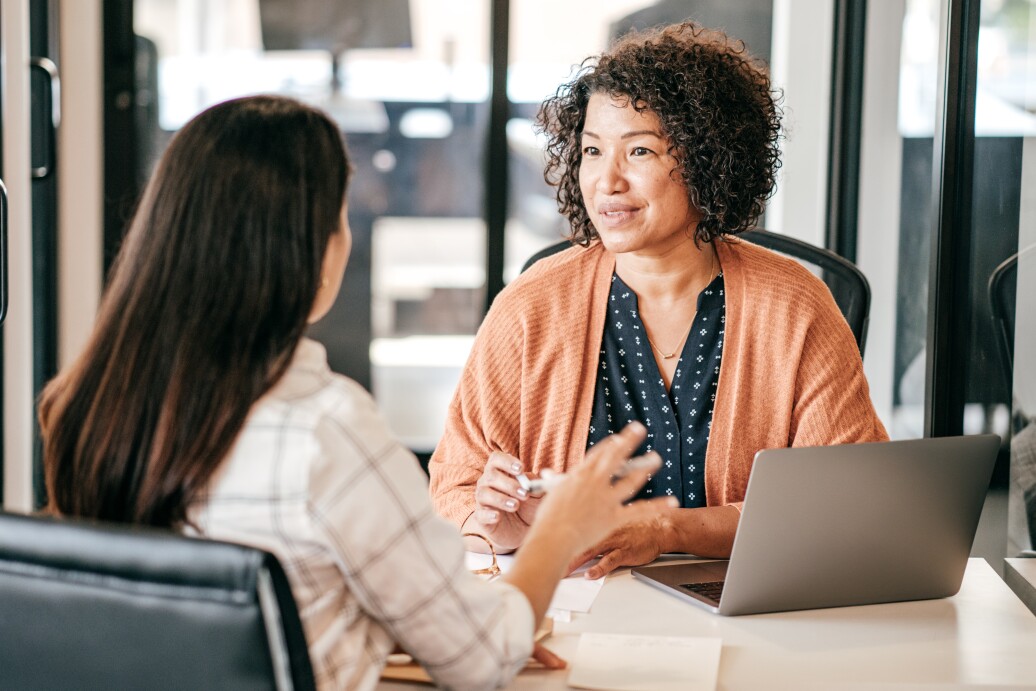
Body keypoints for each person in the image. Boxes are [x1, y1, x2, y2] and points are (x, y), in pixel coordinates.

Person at [38, 95, 676, 690]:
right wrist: (557, 533)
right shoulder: (325, 430)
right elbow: (483, 658)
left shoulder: (88, 406)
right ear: (310, 252)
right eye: (343, 217)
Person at [428, 22, 888, 578]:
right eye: (592, 151)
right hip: (576, 605)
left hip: (744, 609)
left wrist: (669, 530)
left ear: (706, 158)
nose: (607, 181)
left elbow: (841, 500)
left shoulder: (794, 305)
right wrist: (501, 530)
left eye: (639, 150)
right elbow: (455, 486)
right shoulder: (531, 305)